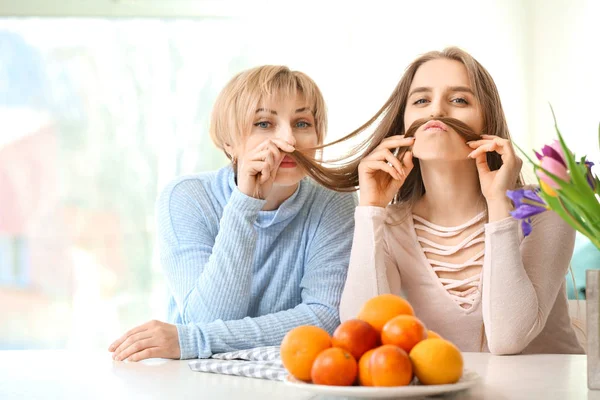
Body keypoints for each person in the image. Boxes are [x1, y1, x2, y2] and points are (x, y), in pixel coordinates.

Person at [336, 47, 584, 354]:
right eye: (421, 100)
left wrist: (498, 205)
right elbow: (363, 334)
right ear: (403, 123)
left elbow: (508, 338)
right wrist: (371, 209)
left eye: (459, 100)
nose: (436, 111)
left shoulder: (545, 209)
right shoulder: (387, 226)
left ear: (487, 123)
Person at [108, 65, 357, 361]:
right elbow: (209, 316)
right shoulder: (187, 198)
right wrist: (245, 201)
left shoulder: (333, 201)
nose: (289, 141)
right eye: (264, 123)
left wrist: (191, 340)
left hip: (291, 380)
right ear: (229, 142)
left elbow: (324, 320)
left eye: (302, 123)